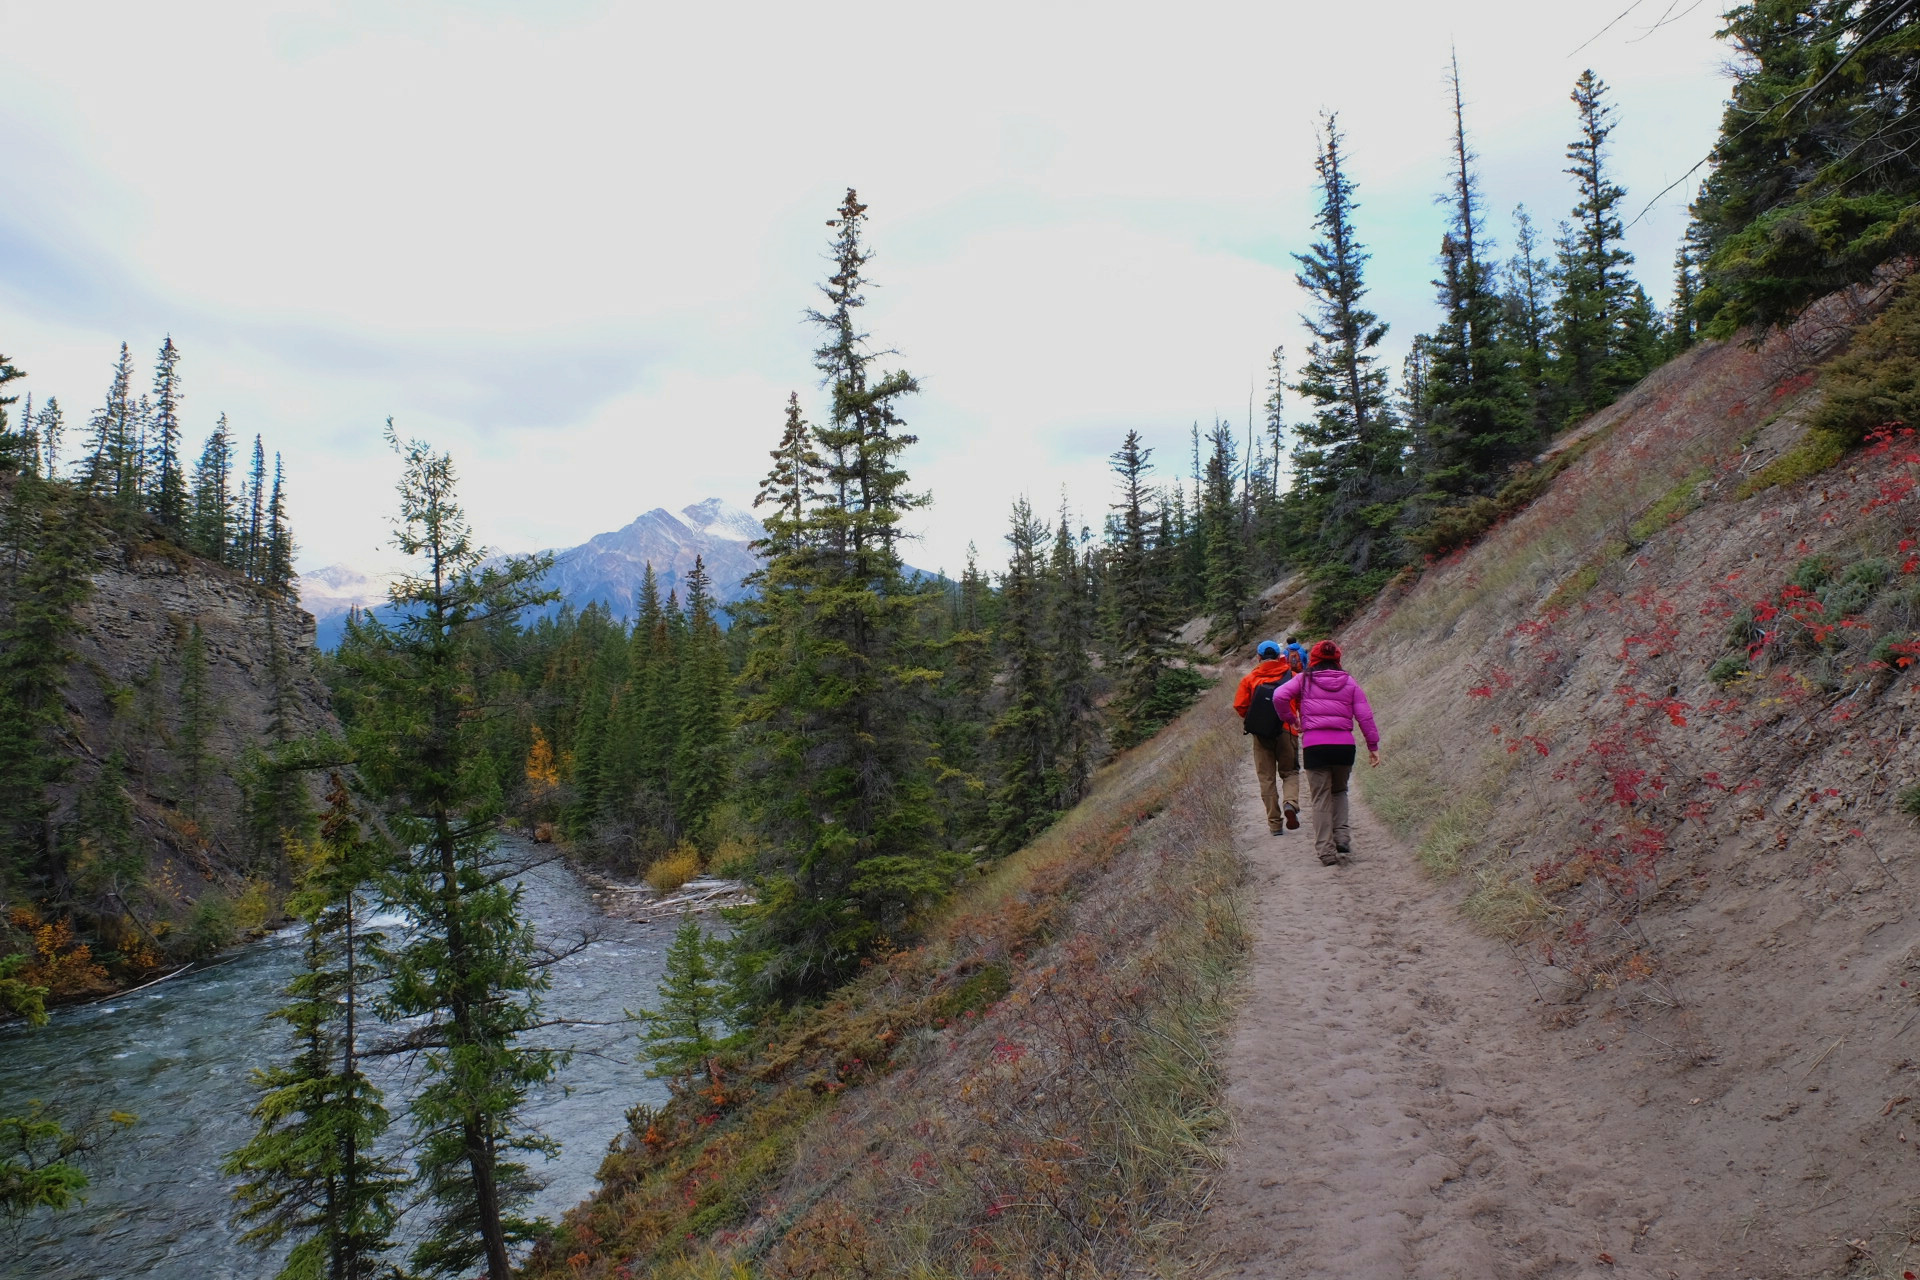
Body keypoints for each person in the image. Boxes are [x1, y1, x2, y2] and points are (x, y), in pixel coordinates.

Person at [1272, 640, 1380, 866]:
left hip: (1315, 746)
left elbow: (1279, 696)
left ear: (1314, 659)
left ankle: (1326, 851)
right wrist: (1373, 746)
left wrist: (1293, 721)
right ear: (1337, 658)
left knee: (1320, 797)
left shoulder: (1303, 679)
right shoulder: (1350, 682)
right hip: (1344, 746)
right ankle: (1342, 838)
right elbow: (1365, 716)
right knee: (1340, 792)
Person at [1234, 640, 1301, 836]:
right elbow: (1300, 701)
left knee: (1266, 778)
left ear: (1259, 657)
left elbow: (1239, 706)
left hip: (1261, 734)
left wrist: (1255, 718)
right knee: (1290, 772)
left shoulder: (1249, 679)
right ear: (1281, 656)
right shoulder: (1292, 676)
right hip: (1287, 730)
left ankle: (1274, 824)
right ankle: (1290, 803)